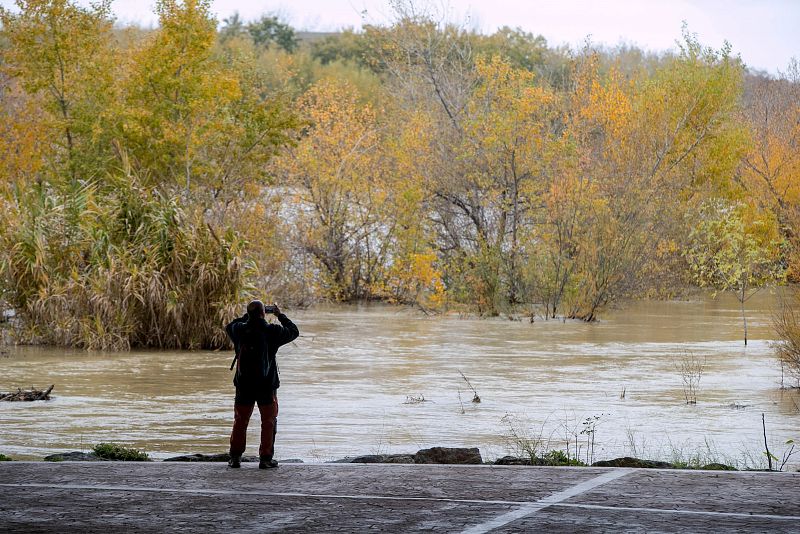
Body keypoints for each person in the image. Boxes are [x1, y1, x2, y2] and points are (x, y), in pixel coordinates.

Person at [225, 300, 299, 469]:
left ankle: (235, 458)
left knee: (240, 420)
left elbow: (230, 325)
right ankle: (265, 459)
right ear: (264, 313)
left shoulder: (239, 330)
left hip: (244, 384)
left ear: (249, 314)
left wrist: (248, 315)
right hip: (267, 385)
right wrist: (279, 315)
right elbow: (294, 331)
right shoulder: (272, 331)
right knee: (268, 421)